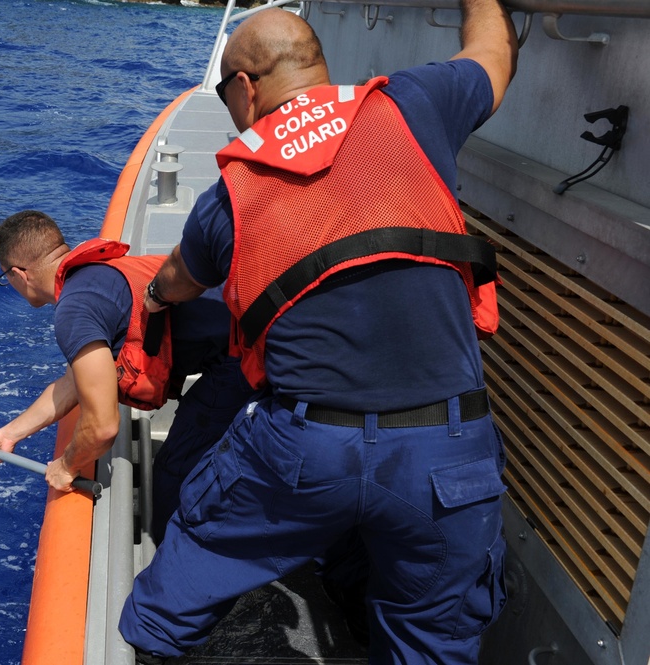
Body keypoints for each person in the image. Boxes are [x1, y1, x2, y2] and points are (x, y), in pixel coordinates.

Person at [118, 2, 517, 664]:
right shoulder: (415, 105)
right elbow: (493, 53)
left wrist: (154, 299)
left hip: (304, 453)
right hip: (446, 455)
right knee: (431, 639)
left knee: (168, 600)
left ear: (244, 89)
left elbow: (180, 277)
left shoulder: (228, 195)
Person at [0, 210, 256, 543]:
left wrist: (66, 465)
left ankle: (193, 567)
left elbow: (103, 427)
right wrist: (10, 433)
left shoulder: (74, 309)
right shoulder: (97, 275)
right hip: (248, 325)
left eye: (5, 277)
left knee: (173, 479)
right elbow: (71, 385)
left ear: (19, 274)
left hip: (246, 354)